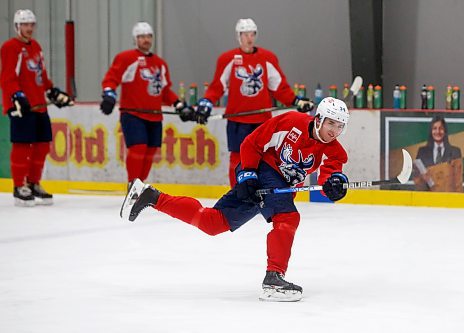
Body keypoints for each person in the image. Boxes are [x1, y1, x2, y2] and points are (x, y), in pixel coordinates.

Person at [120, 97, 350, 302]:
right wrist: (248, 174)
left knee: (213, 222)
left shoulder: (335, 150)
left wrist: (334, 185)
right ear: (318, 119)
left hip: (278, 188)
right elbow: (252, 143)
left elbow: (329, 176)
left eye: (340, 126)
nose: (334, 131)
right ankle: (274, 277)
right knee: (288, 217)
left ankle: (150, 196)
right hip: (263, 171)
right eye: (331, 123)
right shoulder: (291, 122)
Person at [185, 18, 314, 187]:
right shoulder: (228, 59)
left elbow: (279, 87)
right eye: (245, 34)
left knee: (265, 157)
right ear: (238, 36)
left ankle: (263, 191)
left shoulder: (268, 58)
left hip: (263, 121)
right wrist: (206, 103)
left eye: (252, 34)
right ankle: (237, 192)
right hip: (238, 120)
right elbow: (218, 86)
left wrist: (296, 100)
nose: (249, 38)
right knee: (237, 158)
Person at [100, 22, 193, 185]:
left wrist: (179, 105)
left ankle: (140, 187)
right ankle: (132, 185)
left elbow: (164, 91)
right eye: (142, 37)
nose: (146, 40)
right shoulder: (126, 58)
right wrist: (109, 94)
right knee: (138, 148)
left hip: (154, 117)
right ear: (135, 39)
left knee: (150, 152)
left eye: (149, 36)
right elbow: (111, 78)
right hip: (133, 114)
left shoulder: (160, 63)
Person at [0, 9, 73, 207]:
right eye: (25, 24)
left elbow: (41, 76)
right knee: (22, 146)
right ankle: (18, 187)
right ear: (17, 26)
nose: (29, 28)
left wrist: (53, 92)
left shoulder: (36, 46)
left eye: (31, 24)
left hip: (39, 105)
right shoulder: (10, 47)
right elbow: (7, 77)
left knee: (42, 146)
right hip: (21, 106)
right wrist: (17, 96)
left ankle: (33, 183)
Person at [413, 115, 463, 191]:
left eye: (441, 128)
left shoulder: (455, 152)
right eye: (434, 128)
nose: (438, 132)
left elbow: (458, 184)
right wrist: (422, 179)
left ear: (445, 131)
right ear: (431, 131)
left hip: (448, 200)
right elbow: (417, 184)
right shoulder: (422, 152)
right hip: (428, 199)